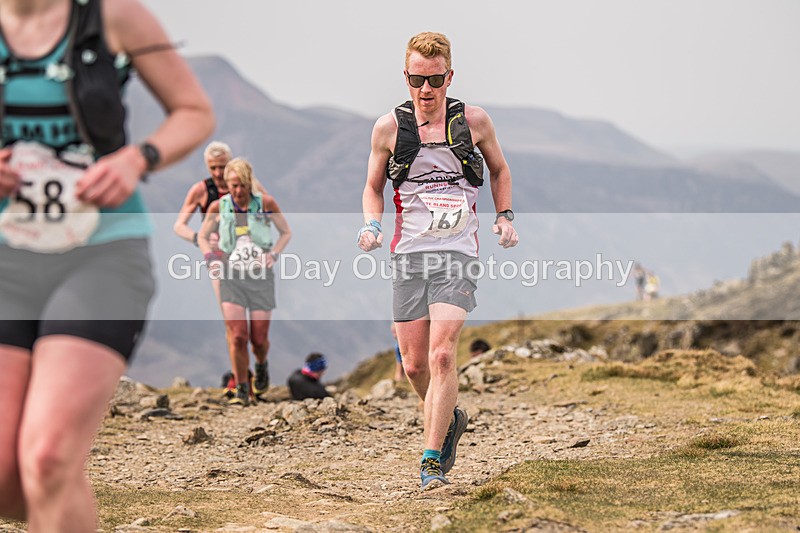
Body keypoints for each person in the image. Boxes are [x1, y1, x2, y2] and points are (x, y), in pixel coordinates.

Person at [0, 0, 213, 529]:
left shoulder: (112, 15)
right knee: (8, 475)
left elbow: (194, 112)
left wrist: (136, 157)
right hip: (5, 258)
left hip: (102, 255)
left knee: (48, 457)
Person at [358, 32, 519, 489]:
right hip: (408, 255)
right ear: (405, 77)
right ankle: (448, 420)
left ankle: (431, 460)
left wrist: (504, 216)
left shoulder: (475, 121)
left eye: (434, 80)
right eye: (416, 79)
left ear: (449, 76)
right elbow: (372, 186)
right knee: (413, 366)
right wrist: (371, 224)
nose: (425, 90)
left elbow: (499, 170)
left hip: (458, 253)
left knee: (443, 353)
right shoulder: (388, 128)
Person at [198, 158, 291, 406]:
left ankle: (261, 365)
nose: (238, 191)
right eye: (233, 186)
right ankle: (241, 388)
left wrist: (274, 254)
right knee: (237, 335)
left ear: (250, 184)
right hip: (231, 275)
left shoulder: (265, 204)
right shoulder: (219, 206)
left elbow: (286, 232)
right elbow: (203, 236)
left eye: (242, 186)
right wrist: (211, 257)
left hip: (260, 277)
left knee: (258, 340)